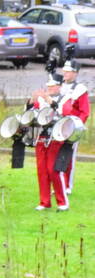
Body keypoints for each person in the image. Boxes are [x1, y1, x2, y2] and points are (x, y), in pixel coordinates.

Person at [31, 73, 68, 212]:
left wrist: (50, 101)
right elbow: (30, 111)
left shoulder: (65, 98)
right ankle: (44, 201)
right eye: (49, 86)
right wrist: (31, 100)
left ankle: (62, 201)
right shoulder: (41, 100)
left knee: (53, 170)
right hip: (41, 137)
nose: (50, 88)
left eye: (52, 86)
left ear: (59, 86)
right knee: (42, 170)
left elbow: (65, 113)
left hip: (55, 137)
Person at [60, 57, 89, 194]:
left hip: (72, 127)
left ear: (75, 73)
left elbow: (84, 111)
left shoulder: (80, 89)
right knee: (56, 156)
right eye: (64, 71)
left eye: (68, 71)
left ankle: (67, 185)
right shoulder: (58, 85)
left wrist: (76, 127)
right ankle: (59, 183)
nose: (65, 73)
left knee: (69, 157)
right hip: (58, 126)